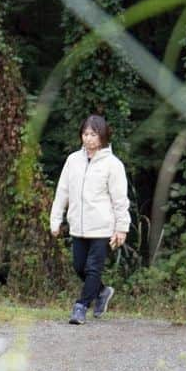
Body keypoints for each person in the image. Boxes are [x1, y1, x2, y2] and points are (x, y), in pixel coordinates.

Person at [49, 114, 130, 325]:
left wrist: (121, 228)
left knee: (94, 268)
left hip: (102, 227)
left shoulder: (113, 165)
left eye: (93, 134)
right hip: (78, 226)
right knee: (79, 267)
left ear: (102, 136)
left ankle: (81, 306)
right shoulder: (73, 160)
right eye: (85, 134)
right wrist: (55, 220)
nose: (88, 138)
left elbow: (120, 199)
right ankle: (102, 292)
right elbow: (62, 192)